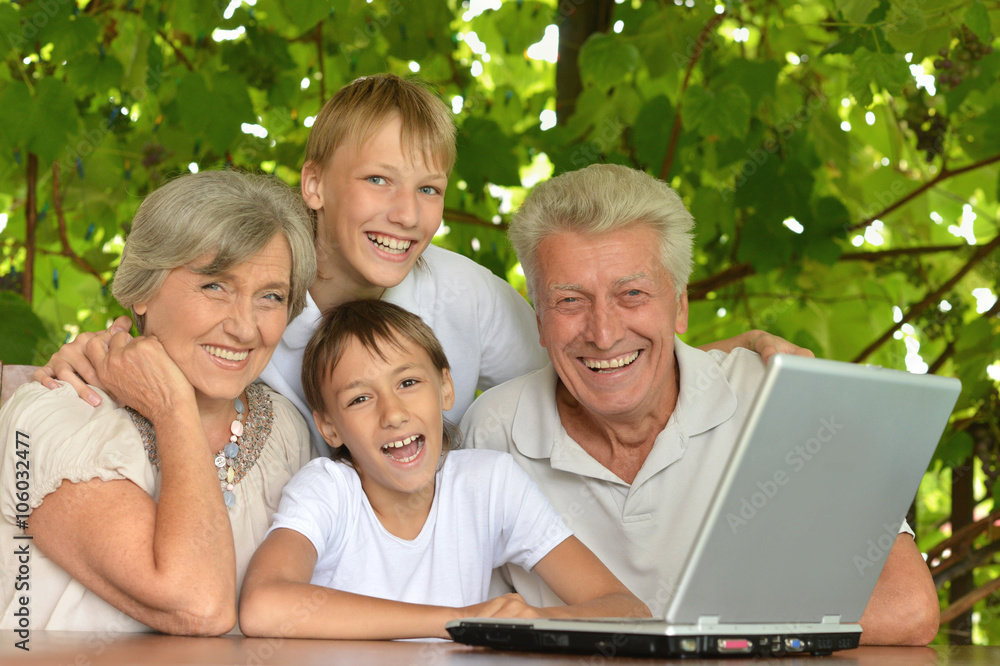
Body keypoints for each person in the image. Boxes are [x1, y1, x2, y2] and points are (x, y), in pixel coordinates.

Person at [34, 74, 808, 451]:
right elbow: (160, 339)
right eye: (377, 181)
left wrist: (714, 356)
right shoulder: (256, 295)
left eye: (428, 188)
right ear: (313, 184)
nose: (407, 214)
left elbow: (592, 363)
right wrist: (93, 357)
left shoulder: (466, 295)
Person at [460, 163, 942, 646]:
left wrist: (670, 638)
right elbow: (469, 627)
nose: (604, 334)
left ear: (681, 305)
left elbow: (906, 606)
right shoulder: (495, 431)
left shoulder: (774, 399)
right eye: (569, 301)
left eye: (632, 294)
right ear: (540, 320)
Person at [0, 171, 317, 634]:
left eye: (270, 296)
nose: (247, 328)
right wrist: (172, 408)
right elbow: (198, 604)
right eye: (215, 286)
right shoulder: (58, 417)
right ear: (141, 290)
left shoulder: (285, 430)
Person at [238, 300, 649, 639]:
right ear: (329, 426)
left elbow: (629, 610)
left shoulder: (489, 484)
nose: (393, 414)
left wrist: (533, 621)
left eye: (408, 383)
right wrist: (459, 620)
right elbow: (262, 606)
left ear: (446, 387)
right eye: (360, 399)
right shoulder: (327, 491)